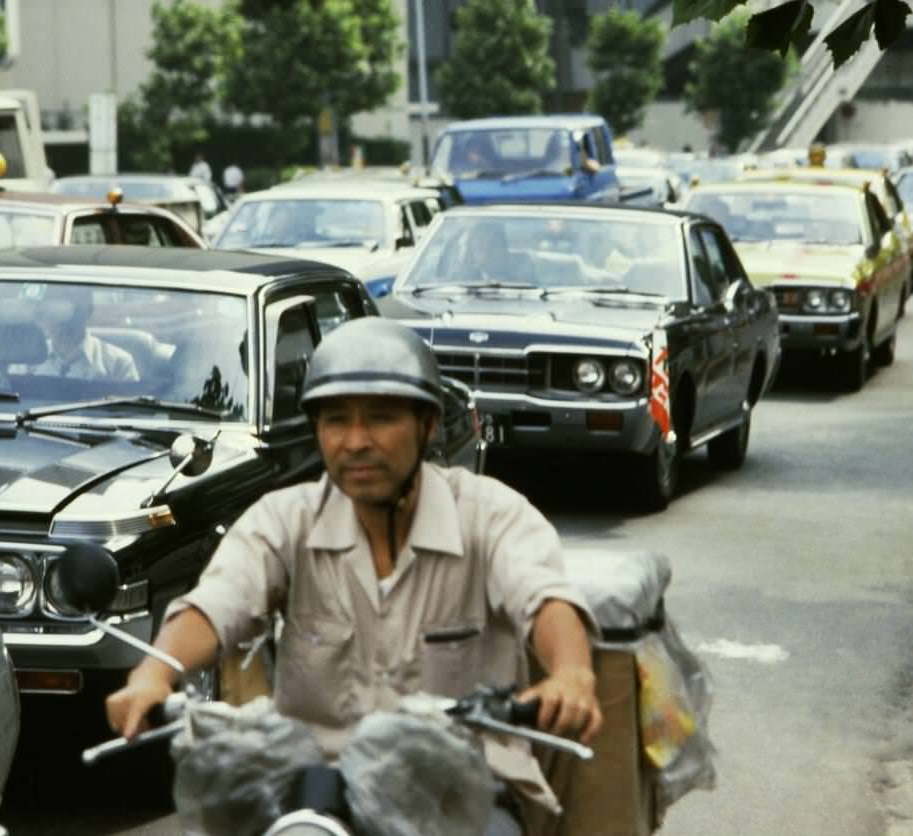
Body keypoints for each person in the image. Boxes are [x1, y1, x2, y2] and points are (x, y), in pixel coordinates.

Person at [106, 318, 602, 834]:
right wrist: (154, 675)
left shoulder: (490, 513)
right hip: (318, 786)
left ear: (428, 426)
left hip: (461, 786)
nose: (356, 441)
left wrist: (570, 672)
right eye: (337, 421)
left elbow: (542, 594)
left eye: (381, 419)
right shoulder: (286, 519)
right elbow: (219, 601)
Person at [31, 290, 138, 381]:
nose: (64, 320)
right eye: (56, 311)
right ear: (44, 315)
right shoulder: (26, 362)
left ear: (89, 311)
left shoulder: (118, 363)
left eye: (74, 310)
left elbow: (130, 403)